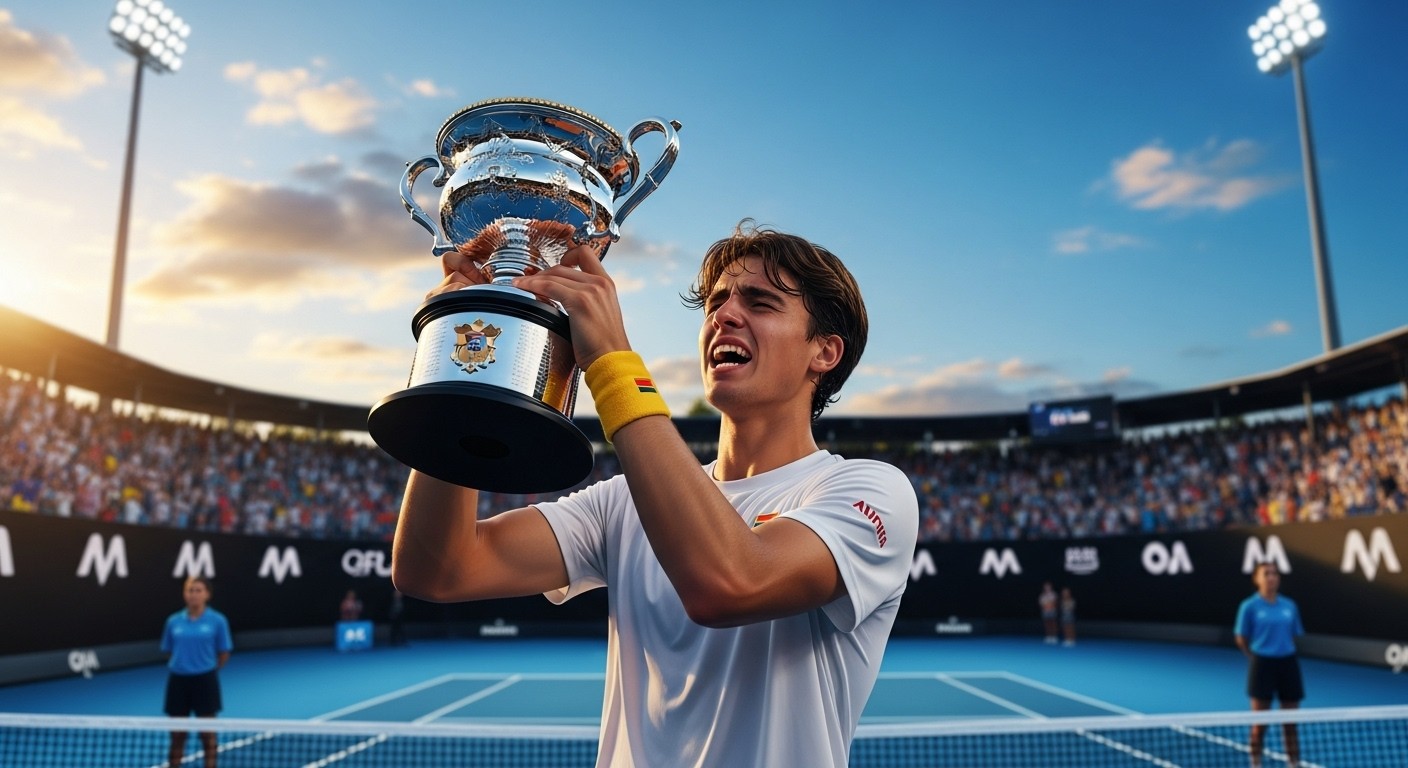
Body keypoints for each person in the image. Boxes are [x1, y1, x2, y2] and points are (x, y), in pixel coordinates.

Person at [393, 221, 919, 767]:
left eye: (760, 302)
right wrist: (467, 372)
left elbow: (731, 583)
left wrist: (612, 363)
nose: (723, 316)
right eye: (716, 302)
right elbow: (440, 570)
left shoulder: (872, 491)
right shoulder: (622, 503)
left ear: (825, 352)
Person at [1235, 562, 1305, 768]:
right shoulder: (1249, 606)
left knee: (1290, 724)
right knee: (1260, 725)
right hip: (1262, 666)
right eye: (1266, 574)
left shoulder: (1290, 606)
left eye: (1274, 574)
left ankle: (1293, 764)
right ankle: (1255, 763)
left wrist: (1281, 650)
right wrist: (1256, 655)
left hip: (1288, 665)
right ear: (1257, 579)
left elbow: (1294, 634)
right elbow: (1241, 637)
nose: (1271, 578)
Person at [161, 576, 233, 768]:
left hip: (205, 682)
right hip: (178, 682)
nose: (194, 594)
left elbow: (224, 652)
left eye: (198, 590)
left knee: (208, 736)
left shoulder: (218, 621)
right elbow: (168, 650)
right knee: (177, 736)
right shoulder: (173, 621)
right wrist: (184, 665)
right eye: (190, 590)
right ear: (185, 594)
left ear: (207, 594)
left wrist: (206, 668)